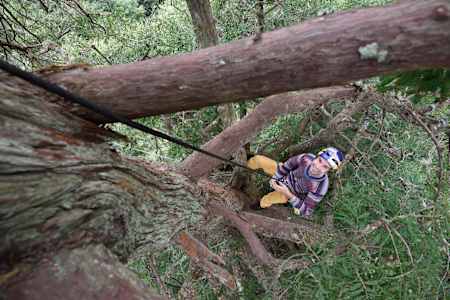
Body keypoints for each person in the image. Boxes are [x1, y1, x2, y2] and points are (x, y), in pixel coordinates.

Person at [247, 147, 344, 217]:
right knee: (258, 160)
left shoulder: (321, 186)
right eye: (319, 160)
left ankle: (261, 204)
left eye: (325, 166)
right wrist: (276, 178)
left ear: (329, 170)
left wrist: (288, 194)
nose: (318, 167)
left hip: (291, 192)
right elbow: (287, 166)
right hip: (285, 175)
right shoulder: (306, 158)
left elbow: (306, 211)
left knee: (270, 199)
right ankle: (244, 167)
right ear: (316, 157)